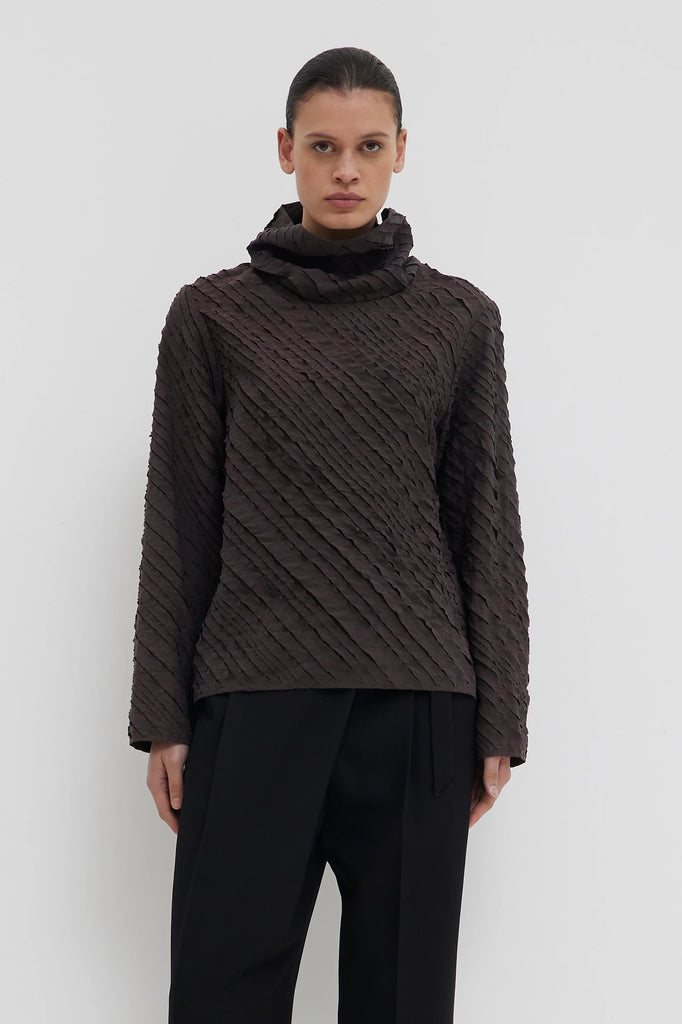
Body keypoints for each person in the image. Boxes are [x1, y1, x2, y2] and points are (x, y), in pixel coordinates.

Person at [128, 45, 530, 1024]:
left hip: (418, 703)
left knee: (403, 1001)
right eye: (322, 146)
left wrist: (500, 720)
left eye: (368, 146)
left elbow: (483, 519)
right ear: (286, 150)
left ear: (400, 151)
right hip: (253, 692)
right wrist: (164, 714)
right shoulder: (212, 317)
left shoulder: (459, 320)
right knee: (220, 993)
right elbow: (179, 515)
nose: (346, 169)